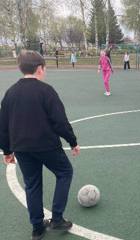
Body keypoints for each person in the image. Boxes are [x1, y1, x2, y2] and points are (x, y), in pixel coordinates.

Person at [0, 50, 80, 240]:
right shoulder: (46, 91)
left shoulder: (10, 93)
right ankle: (57, 218)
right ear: (39, 69)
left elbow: (3, 125)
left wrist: (7, 151)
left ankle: (37, 227)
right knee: (65, 173)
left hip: (22, 148)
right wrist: (73, 141)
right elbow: (59, 121)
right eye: (45, 68)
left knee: (32, 184)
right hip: (47, 145)